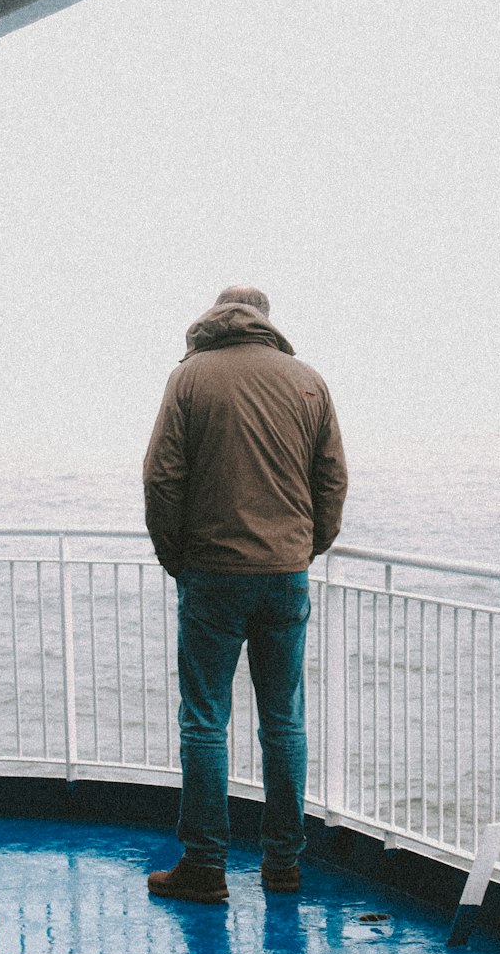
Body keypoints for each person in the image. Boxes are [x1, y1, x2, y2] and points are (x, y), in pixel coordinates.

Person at [143, 284, 347, 902]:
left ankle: (205, 867)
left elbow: (161, 476)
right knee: (283, 721)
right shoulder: (307, 380)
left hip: (212, 573)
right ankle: (283, 865)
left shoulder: (191, 379)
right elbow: (332, 478)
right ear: (264, 320)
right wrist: (306, 546)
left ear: (215, 317)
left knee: (205, 721)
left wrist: (175, 555)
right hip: (284, 575)